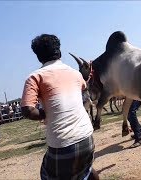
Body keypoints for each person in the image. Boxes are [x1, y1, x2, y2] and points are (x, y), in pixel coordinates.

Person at [21, 34, 98, 180]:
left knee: (47, 174)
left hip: (63, 143)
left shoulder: (35, 77)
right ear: (60, 53)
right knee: (85, 170)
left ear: (38, 57)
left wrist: (46, 114)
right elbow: (84, 90)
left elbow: (28, 110)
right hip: (87, 136)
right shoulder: (76, 74)